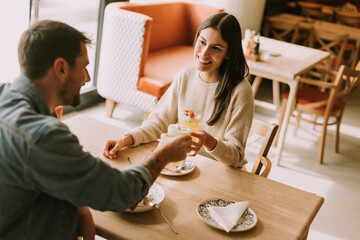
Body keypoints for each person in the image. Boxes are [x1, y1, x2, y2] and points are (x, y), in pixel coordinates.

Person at [0, 20, 197, 240]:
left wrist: (78, 205)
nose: (88, 78)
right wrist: (163, 155)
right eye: (84, 67)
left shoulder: (5, 96)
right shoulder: (45, 136)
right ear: (61, 68)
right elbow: (121, 192)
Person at [103, 12, 254, 168]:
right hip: (181, 165)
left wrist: (207, 140)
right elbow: (158, 123)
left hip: (218, 172)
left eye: (215, 48)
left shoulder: (241, 91)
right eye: (202, 42)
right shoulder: (186, 75)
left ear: (228, 54)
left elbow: (236, 155)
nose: (204, 53)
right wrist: (125, 139)